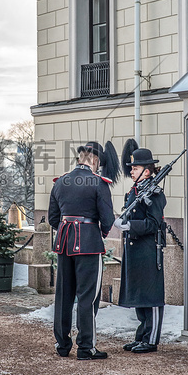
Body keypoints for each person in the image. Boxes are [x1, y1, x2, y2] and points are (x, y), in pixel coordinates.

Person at [48, 140, 118, 360]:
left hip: (64, 243)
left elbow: (53, 218)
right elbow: (107, 219)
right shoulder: (98, 183)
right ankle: (86, 347)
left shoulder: (60, 182)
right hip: (88, 243)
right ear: (95, 160)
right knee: (88, 297)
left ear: (81, 157)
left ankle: (62, 344)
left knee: (63, 295)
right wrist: (100, 234)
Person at [115, 147, 167, 354]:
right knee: (140, 295)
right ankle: (142, 336)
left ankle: (151, 339)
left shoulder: (154, 193)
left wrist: (130, 226)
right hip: (135, 249)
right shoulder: (135, 191)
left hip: (148, 249)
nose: (132, 171)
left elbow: (153, 223)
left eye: (135, 168)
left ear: (147, 171)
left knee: (151, 296)